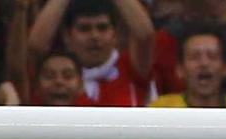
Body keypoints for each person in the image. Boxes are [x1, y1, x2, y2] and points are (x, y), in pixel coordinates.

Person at [25, 0, 153, 105]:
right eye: (84, 29)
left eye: (102, 28)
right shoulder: (55, 75)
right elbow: (35, 46)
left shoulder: (131, 68)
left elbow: (145, 35)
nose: (94, 36)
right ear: (67, 36)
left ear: (115, 34)